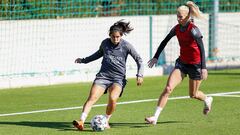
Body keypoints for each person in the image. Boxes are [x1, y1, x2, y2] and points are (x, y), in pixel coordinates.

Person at [145, 1, 213, 125]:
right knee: (168, 88)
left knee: (193, 94)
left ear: (187, 16)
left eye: (180, 16)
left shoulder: (194, 30)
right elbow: (164, 41)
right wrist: (155, 57)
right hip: (182, 63)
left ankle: (207, 99)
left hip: (195, 65)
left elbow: (202, 49)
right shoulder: (176, 28)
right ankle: (155, 117)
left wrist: (204, 68)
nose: (178, 18)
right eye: (177, 15)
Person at [73, 20, 144, 130]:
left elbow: (139, 59)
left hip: (118, 79)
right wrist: (84, 60)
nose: (115, 39)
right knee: (92, 98)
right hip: (103, 76)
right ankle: (81, 121)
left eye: (118, 37)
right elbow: (97, 54)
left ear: (121, 36)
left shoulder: (126, 46)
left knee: (113, 98)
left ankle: (105, 120)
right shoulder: (105, 43)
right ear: (109, 35)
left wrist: (140, 74)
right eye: (113, 37)